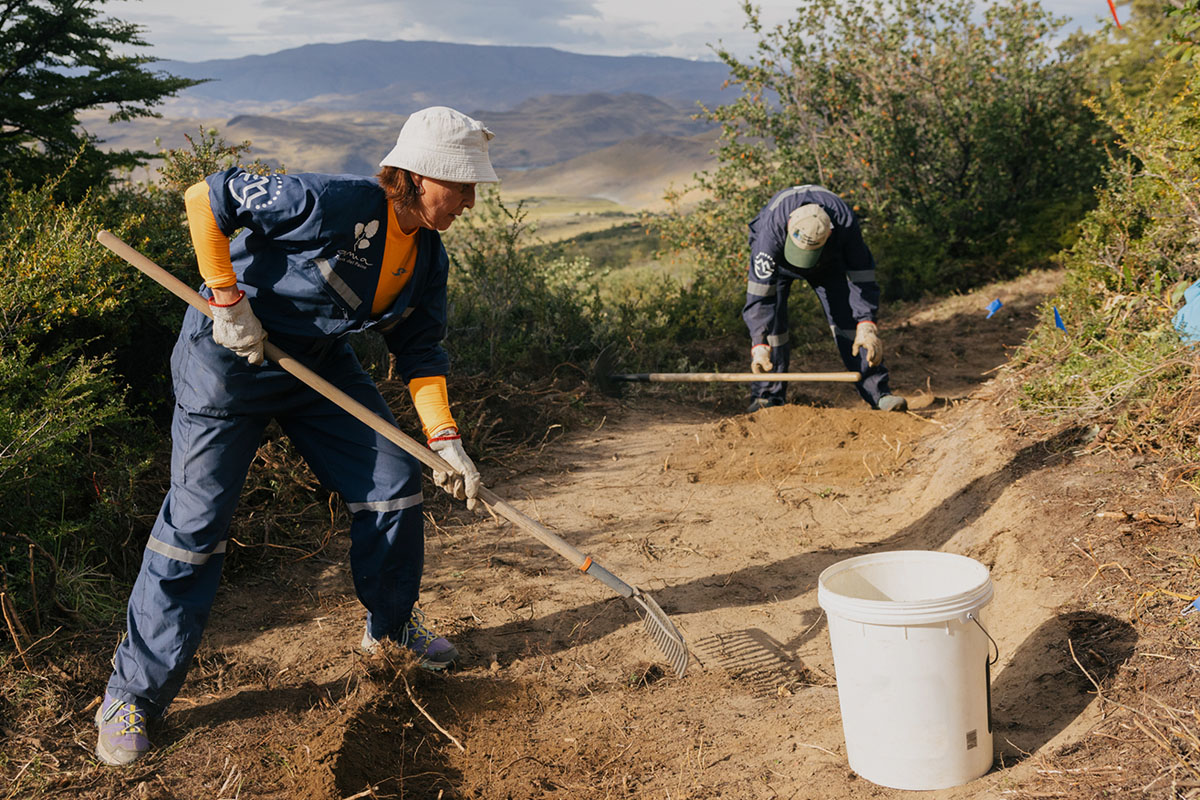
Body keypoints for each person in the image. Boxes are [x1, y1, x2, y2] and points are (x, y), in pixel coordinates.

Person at [95, 106, 497, 766]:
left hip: (314, 364)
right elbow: (207, 195)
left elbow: (421, 351)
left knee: (393, 485)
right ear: (417, 177)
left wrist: (445, 439)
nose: (470, 202)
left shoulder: (426, 259)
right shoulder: (330, 202)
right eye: (462, 186)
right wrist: (226, 297)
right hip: (227, 361)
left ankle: (390, 632)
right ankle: (132, 694)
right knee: (195, 529)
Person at [742, 184, 906, 414]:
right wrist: (758, 343)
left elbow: (861, 276)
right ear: (789, 226)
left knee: (850, 325)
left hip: (828, 264)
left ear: (829, 232)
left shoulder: (845, 224)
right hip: (780, 265)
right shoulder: (770, 234)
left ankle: (879, 394)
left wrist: (867, 323)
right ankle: (767, 397)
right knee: (772, 332)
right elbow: (759, 295)